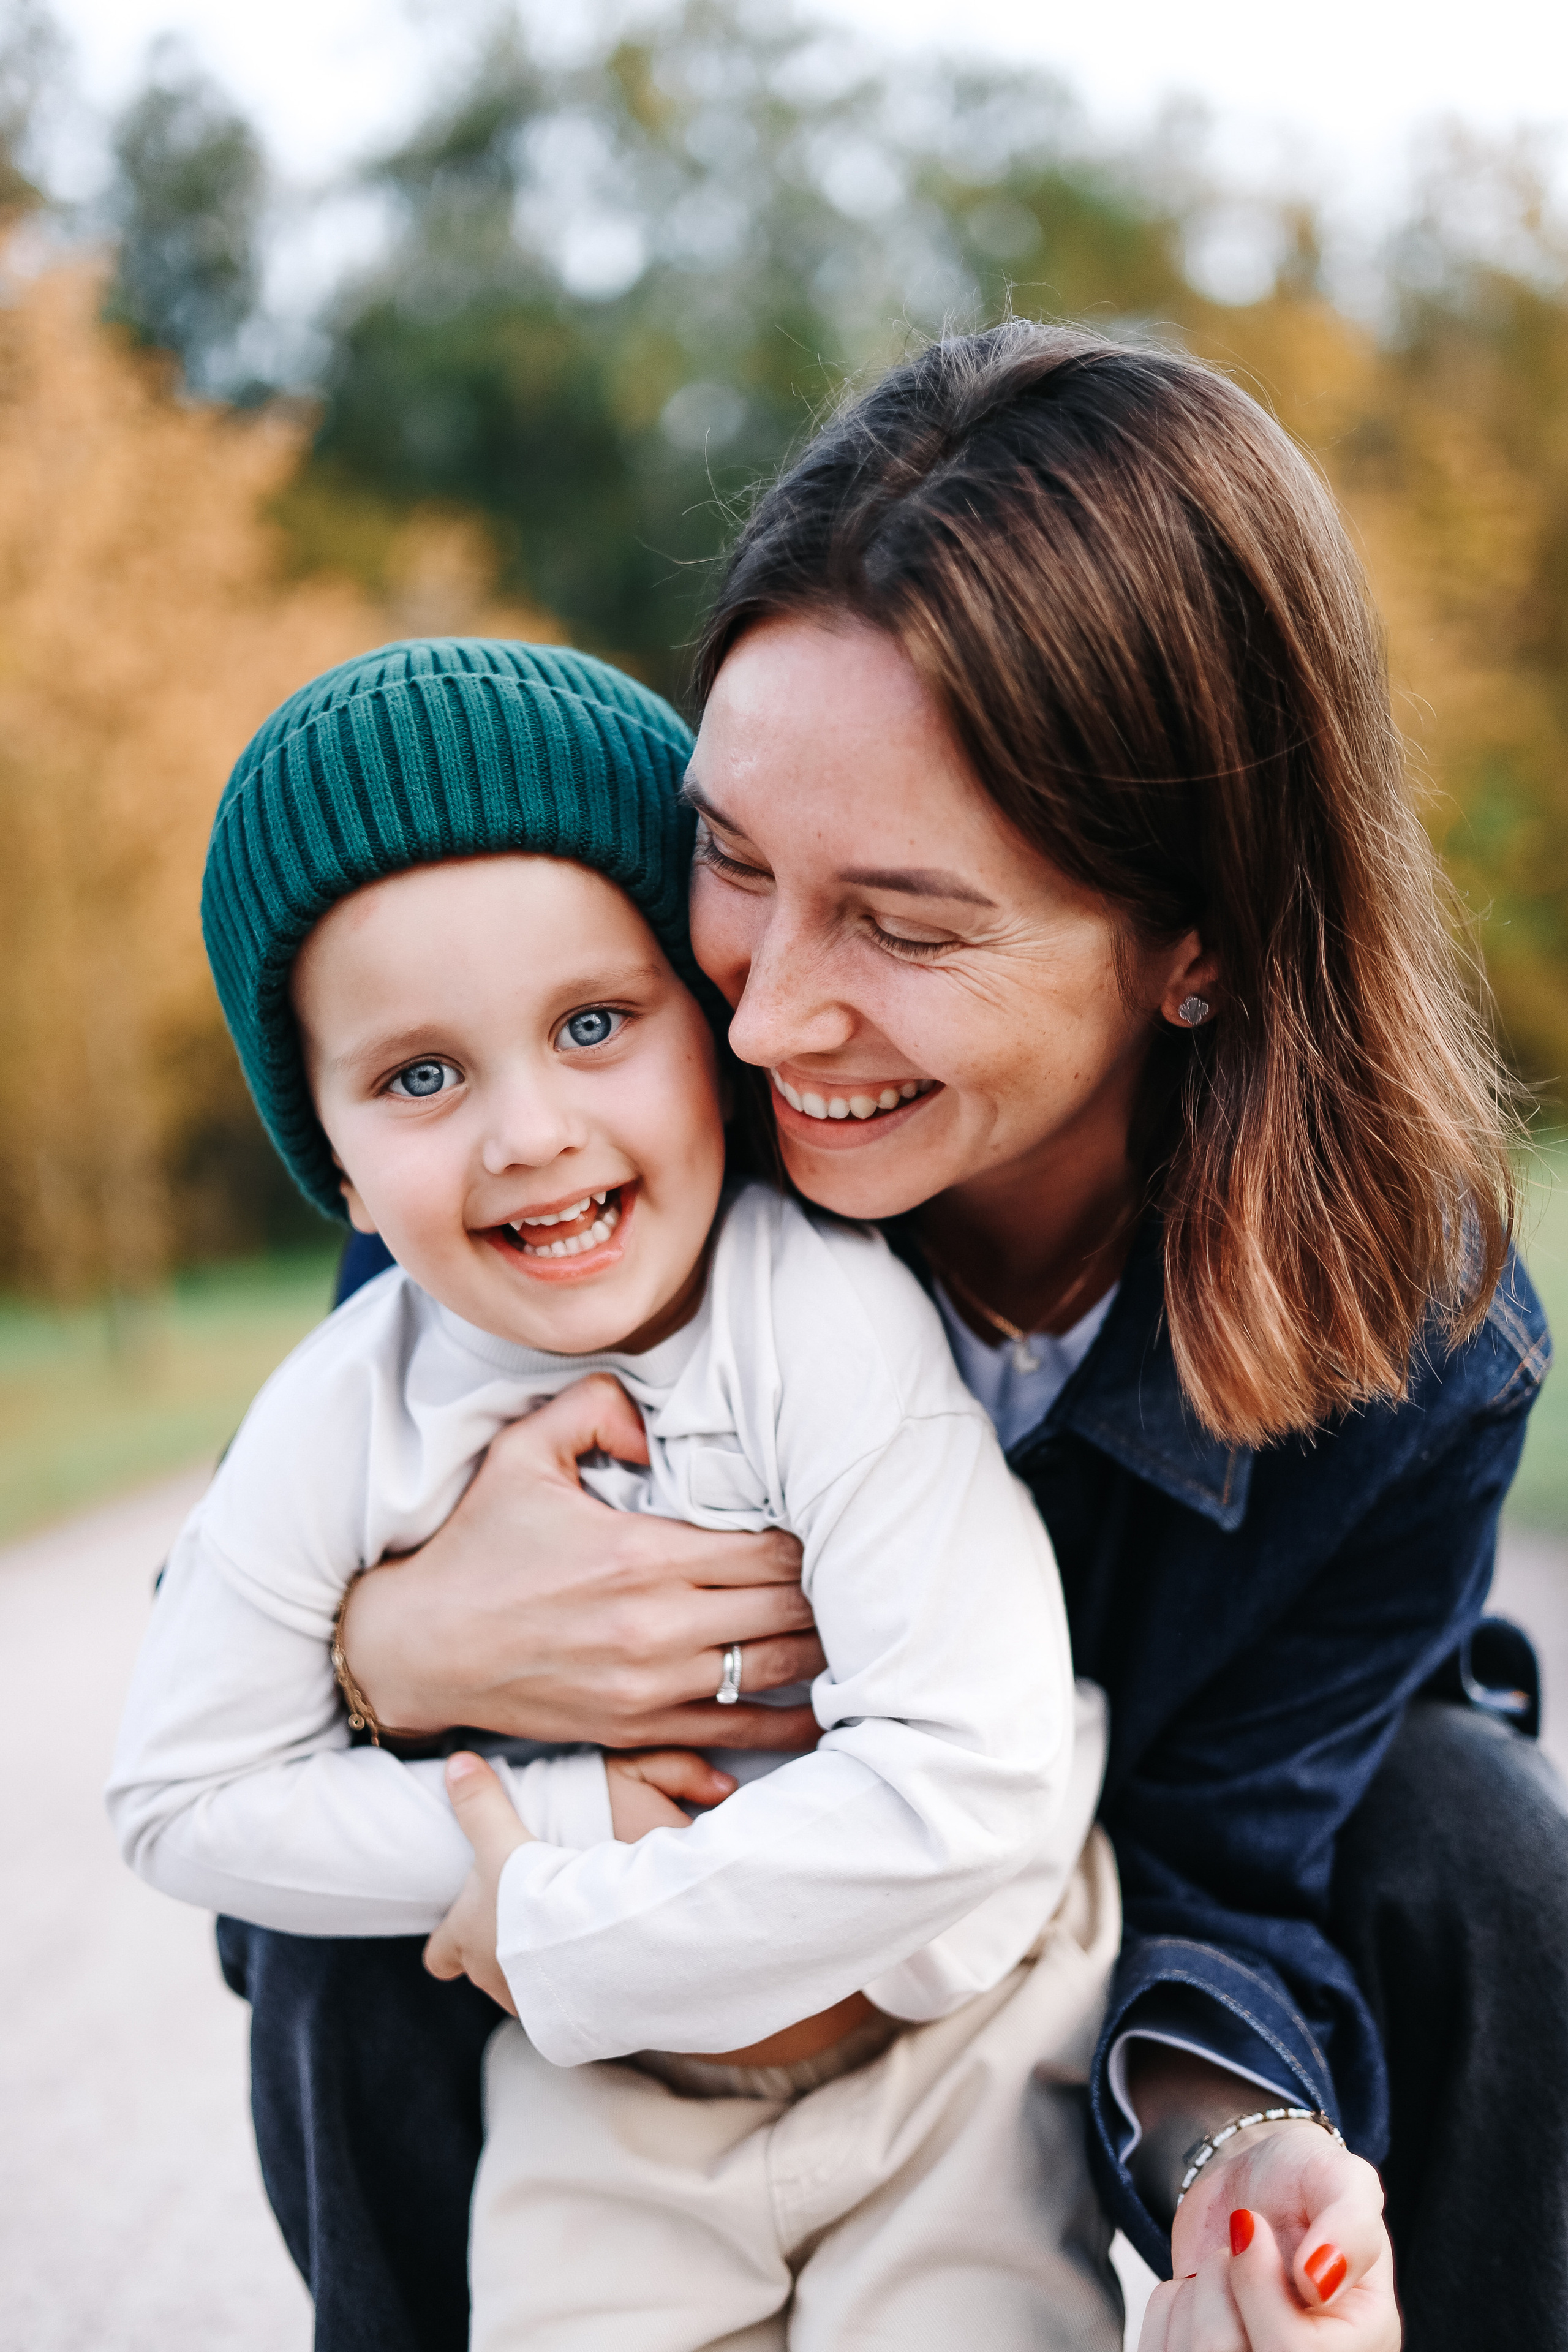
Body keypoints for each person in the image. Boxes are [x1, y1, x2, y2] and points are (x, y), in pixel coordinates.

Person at [221, 328, 1558, 2352]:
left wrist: (1234, 2156)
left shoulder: (1407, 1335)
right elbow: (227, 1752)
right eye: (736, 863)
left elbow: (1231, 1869)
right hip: (621, 1924)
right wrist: (393, 1653)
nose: (758, 1021)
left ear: (1195, 942)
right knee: (364, 1916)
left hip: (1064, 1874)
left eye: (908, 927)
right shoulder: (588, 1153)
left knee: (1472, 1848)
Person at [110, 638, 1129, 2350]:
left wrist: (573, 1917)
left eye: (595, 1024)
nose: (526, 1132)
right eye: (419, 1076)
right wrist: (557, 1832)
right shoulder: (344, 1417)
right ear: (338, 1159)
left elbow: (975, 1770)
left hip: (948, 2049)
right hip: (613, 2098)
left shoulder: (822, 1317)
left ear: (710, 1029)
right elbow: (181, 1793)